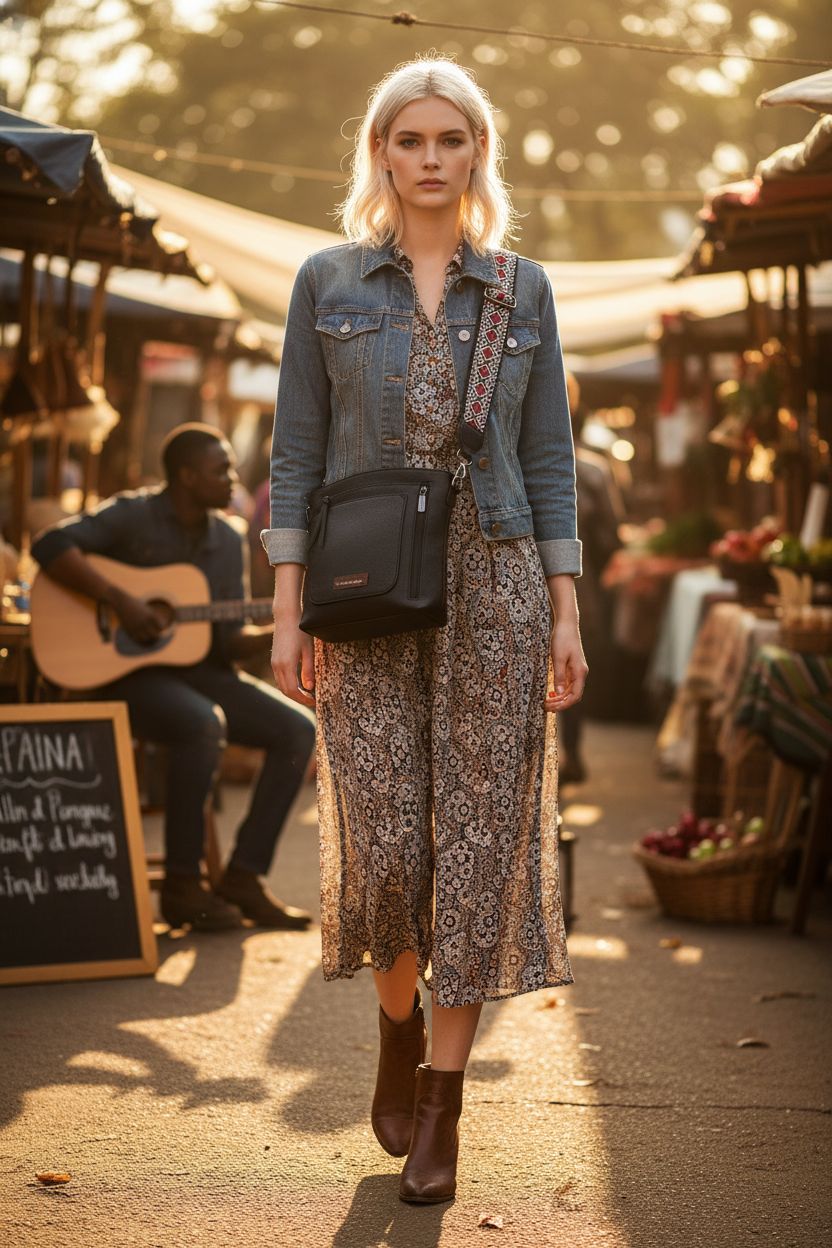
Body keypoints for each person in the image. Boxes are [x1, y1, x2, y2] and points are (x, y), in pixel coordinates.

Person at [265, 59, 587, 1204]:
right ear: (383, 155)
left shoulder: (522, 290)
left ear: (478, 153)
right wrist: (285, 605)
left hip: (495, 580)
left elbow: (547, 463)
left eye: (453, 138)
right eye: (412, 139)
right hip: (364, 588)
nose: (433, 157)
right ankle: (395, 1028)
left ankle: (445, 1100)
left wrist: (565, 609)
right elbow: (294, 457)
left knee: (481, 840)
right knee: (390, 839)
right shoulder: (327, 281)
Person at [31, 423, 316, 932]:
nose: (232, 479)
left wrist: (286, 625)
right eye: (219, 470)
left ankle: (243, 877)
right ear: (185, 476)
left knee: (297, 729)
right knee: (201, 723)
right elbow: (50, 545)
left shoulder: (227, 537)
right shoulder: (133, 514)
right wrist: (121, 601)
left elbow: (226, 640)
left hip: (202, 672)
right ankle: (184, 886)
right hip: (126, 675)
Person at [558, 376, 625, 784]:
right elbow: (611, 539)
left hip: (545, 586)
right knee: (572, 671)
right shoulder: (595, 471)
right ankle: (573, 753)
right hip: (582, 589)